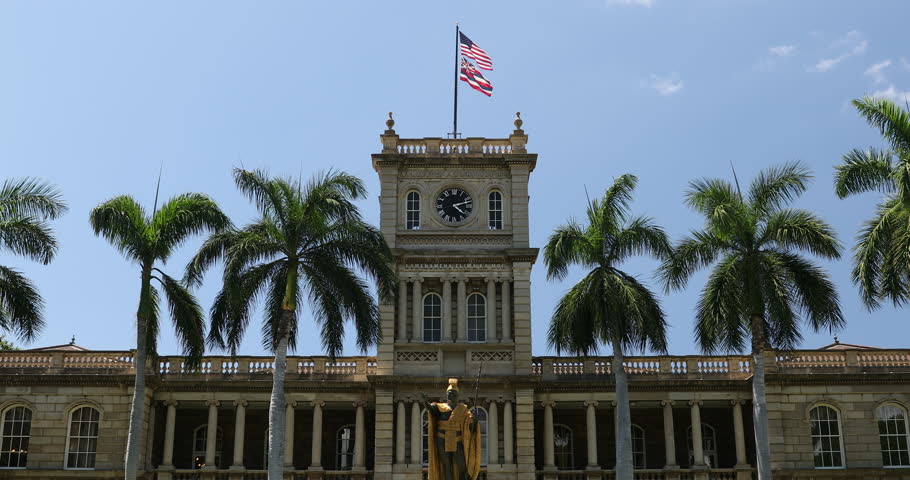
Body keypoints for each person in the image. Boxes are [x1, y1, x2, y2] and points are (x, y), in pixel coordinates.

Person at [421, 378, 481, 480]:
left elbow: (469, 428)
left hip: (457, 440)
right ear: (446, 394)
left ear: (457, 396)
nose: (451, 394)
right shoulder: (440, 407)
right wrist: (425, 402)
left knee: (462, 465)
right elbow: (430, 409)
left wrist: (474, 420)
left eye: (453, 393)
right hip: (442, 439)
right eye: (449, 393)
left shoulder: (463, 410)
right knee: (446, 466)